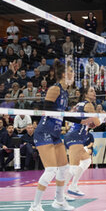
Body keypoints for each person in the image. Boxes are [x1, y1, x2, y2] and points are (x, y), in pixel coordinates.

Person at [29, 61, 94, 211]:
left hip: (56, 134)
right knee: (51, 170)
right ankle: (35, 205)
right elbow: (47, 109)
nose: (73, 74)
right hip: (44, 132)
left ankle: (59, 200)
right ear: (64, 74)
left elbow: (62, 116)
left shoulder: (65, 93)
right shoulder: (55, 89)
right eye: (71, 71)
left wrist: (81, 120)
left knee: (64, 168)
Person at [64, 87, 100, 198]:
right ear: (85, 94)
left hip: (74, 135)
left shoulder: (78, 105)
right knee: (73, 167)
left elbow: (71, 118)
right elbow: (97, 123)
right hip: (75, 136)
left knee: (86, 160)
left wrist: (89, 123)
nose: (94, 93)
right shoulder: (89, 105)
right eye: (91, 91)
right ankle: (59, 193)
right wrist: (96, 119)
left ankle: (73, 186)